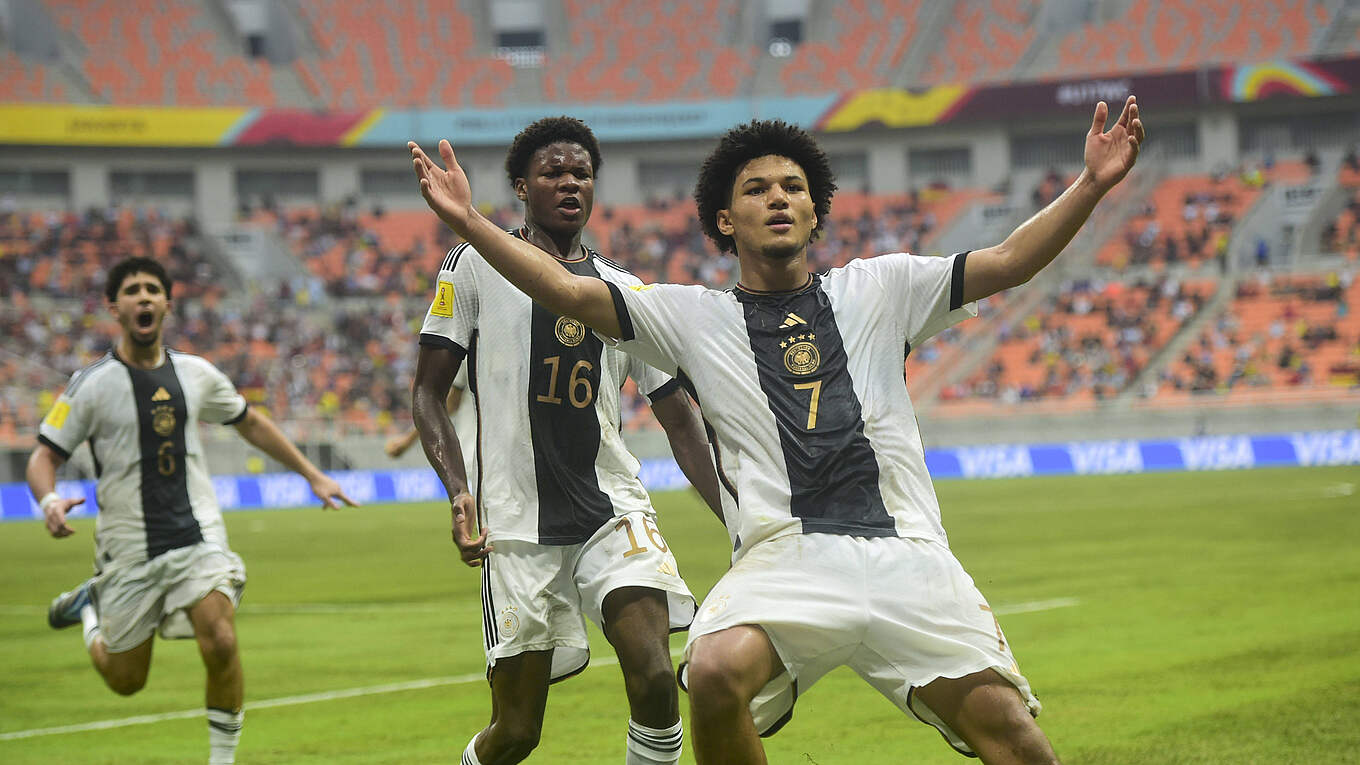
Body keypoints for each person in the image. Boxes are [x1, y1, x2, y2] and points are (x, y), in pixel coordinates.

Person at [410, 96, 1144, 764]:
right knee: (717, 671)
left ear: (816, 211)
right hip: (787, 557)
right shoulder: (690, 316)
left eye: (793, 188)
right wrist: (469, 223)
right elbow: (566, 289)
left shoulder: (882, 288)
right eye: (757, 189)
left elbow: (1010, 260)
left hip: (908, 553)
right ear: (726, 220)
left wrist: (1092, 183)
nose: (779, 199)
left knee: (1013, 735)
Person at [411, 116, 723, 765]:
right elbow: (426, 393)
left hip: (612, 511)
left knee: (658, 680)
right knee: (517, 731)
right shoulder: (472, 264)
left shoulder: (624, 291)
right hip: (516, 525)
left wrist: (740, 516)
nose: (570, 182)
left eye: (581, 172)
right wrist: (459, 491)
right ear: (523, 185)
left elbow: (680, 418)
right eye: (553, 171)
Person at [30, 256, 357, 765]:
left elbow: (249, 422)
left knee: (221, 639)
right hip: (128, 548)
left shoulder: (195, 373)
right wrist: (49, 500)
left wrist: (311, 473)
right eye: (133, 290)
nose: (144, 297)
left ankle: (221, 761)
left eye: (152, 289)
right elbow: (44, 455)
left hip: (196, 537)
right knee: (126, 682)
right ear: (113, 307)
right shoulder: (89, 386)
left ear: (166, 304)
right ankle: (90, 609)